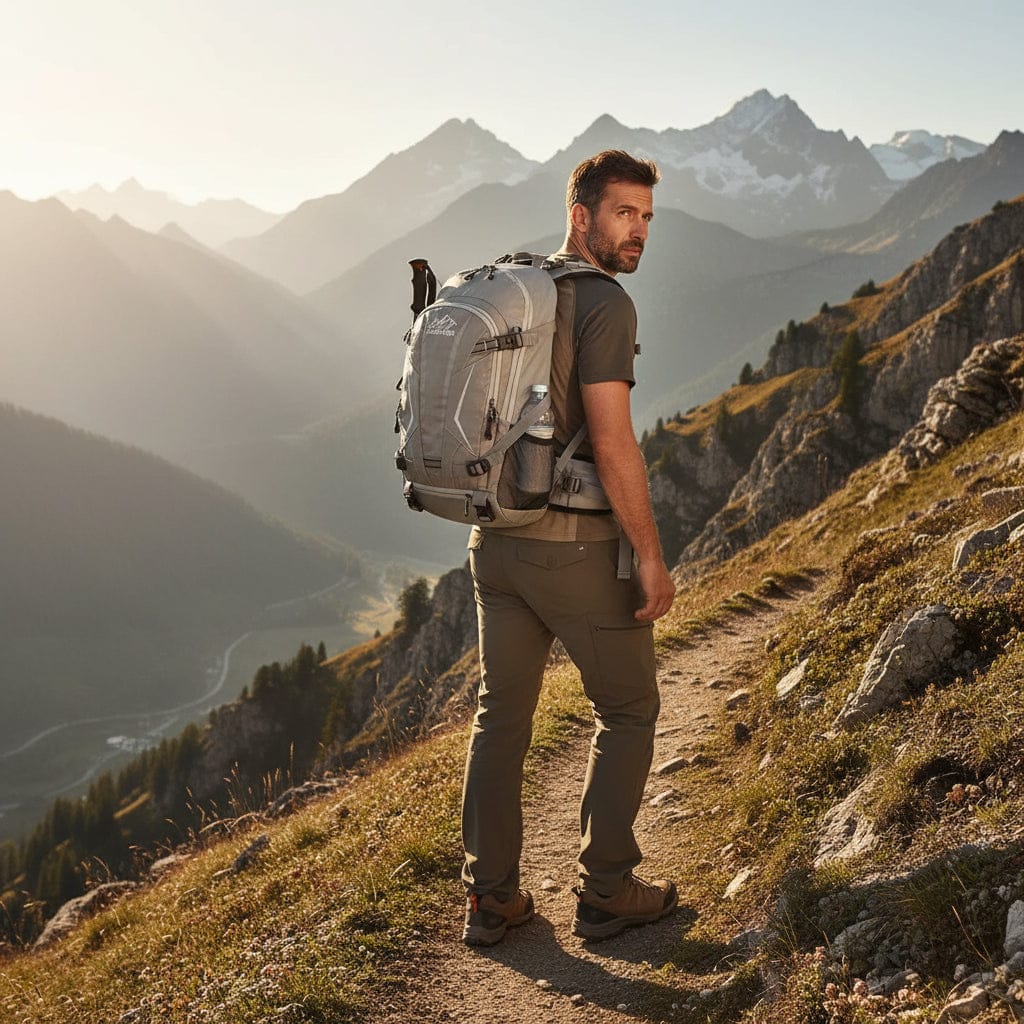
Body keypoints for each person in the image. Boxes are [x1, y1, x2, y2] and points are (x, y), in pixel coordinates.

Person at [460, 150, 678, 946]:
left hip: (496, 542)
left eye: (649, 217)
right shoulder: (604, 306)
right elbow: (613, 441)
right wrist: (649, 555)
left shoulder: (521, 290)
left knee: (500, 720)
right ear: (580, 216)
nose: (640, 231)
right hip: (573, 551)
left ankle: (491, 898)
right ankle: (609, 891)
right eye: (626, 213)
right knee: (628, 710)